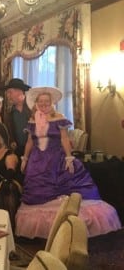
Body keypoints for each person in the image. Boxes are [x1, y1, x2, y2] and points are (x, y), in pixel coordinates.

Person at [16, 86, 121, 238]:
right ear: (36, 103)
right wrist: (25, 158)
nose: (44, 104)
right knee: (38, 193)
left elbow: (65, 139)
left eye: (47, 101)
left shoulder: (58, 117)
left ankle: (71, 226)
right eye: (41, 101)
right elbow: (30, 142)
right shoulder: (33, 119)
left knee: (68, 188)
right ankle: (46, 230)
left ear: (51, 102)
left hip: (57, 158)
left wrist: (69, 157)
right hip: (38, 161)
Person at [2, 78, 31, 157]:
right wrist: (11, 141)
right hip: (17, 151)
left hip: (34, 150)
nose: (8, 96)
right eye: (7, 93)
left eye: (10, 93)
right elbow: (8, 131)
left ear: (19, 92)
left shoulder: (32, 110)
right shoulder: (8, 113)